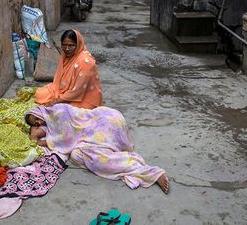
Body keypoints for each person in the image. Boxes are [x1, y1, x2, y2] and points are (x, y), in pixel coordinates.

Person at [25, 104, 170, 194]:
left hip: (105, 123)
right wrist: (36, 132)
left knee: (97, 160)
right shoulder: (49, 121)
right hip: (108, 116)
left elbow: (66, 139)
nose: (38, 123)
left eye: (37, 119)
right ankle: (132, 165)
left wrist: (40, 141)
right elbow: (38, 134)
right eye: (35, 123)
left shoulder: (57, 113)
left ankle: (150, 172)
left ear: (40, 112)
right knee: (77, 155)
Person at [34, 29, 102, 109]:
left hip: (83, 98)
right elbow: (59, 82)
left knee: (61, 110)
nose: (66, 49)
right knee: (40, 94)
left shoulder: (85, 62)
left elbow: (77, 92)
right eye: (64, 45)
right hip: (67, 91)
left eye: (71, 45)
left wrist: (55, 102)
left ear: (78, 44)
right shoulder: (68, 56)